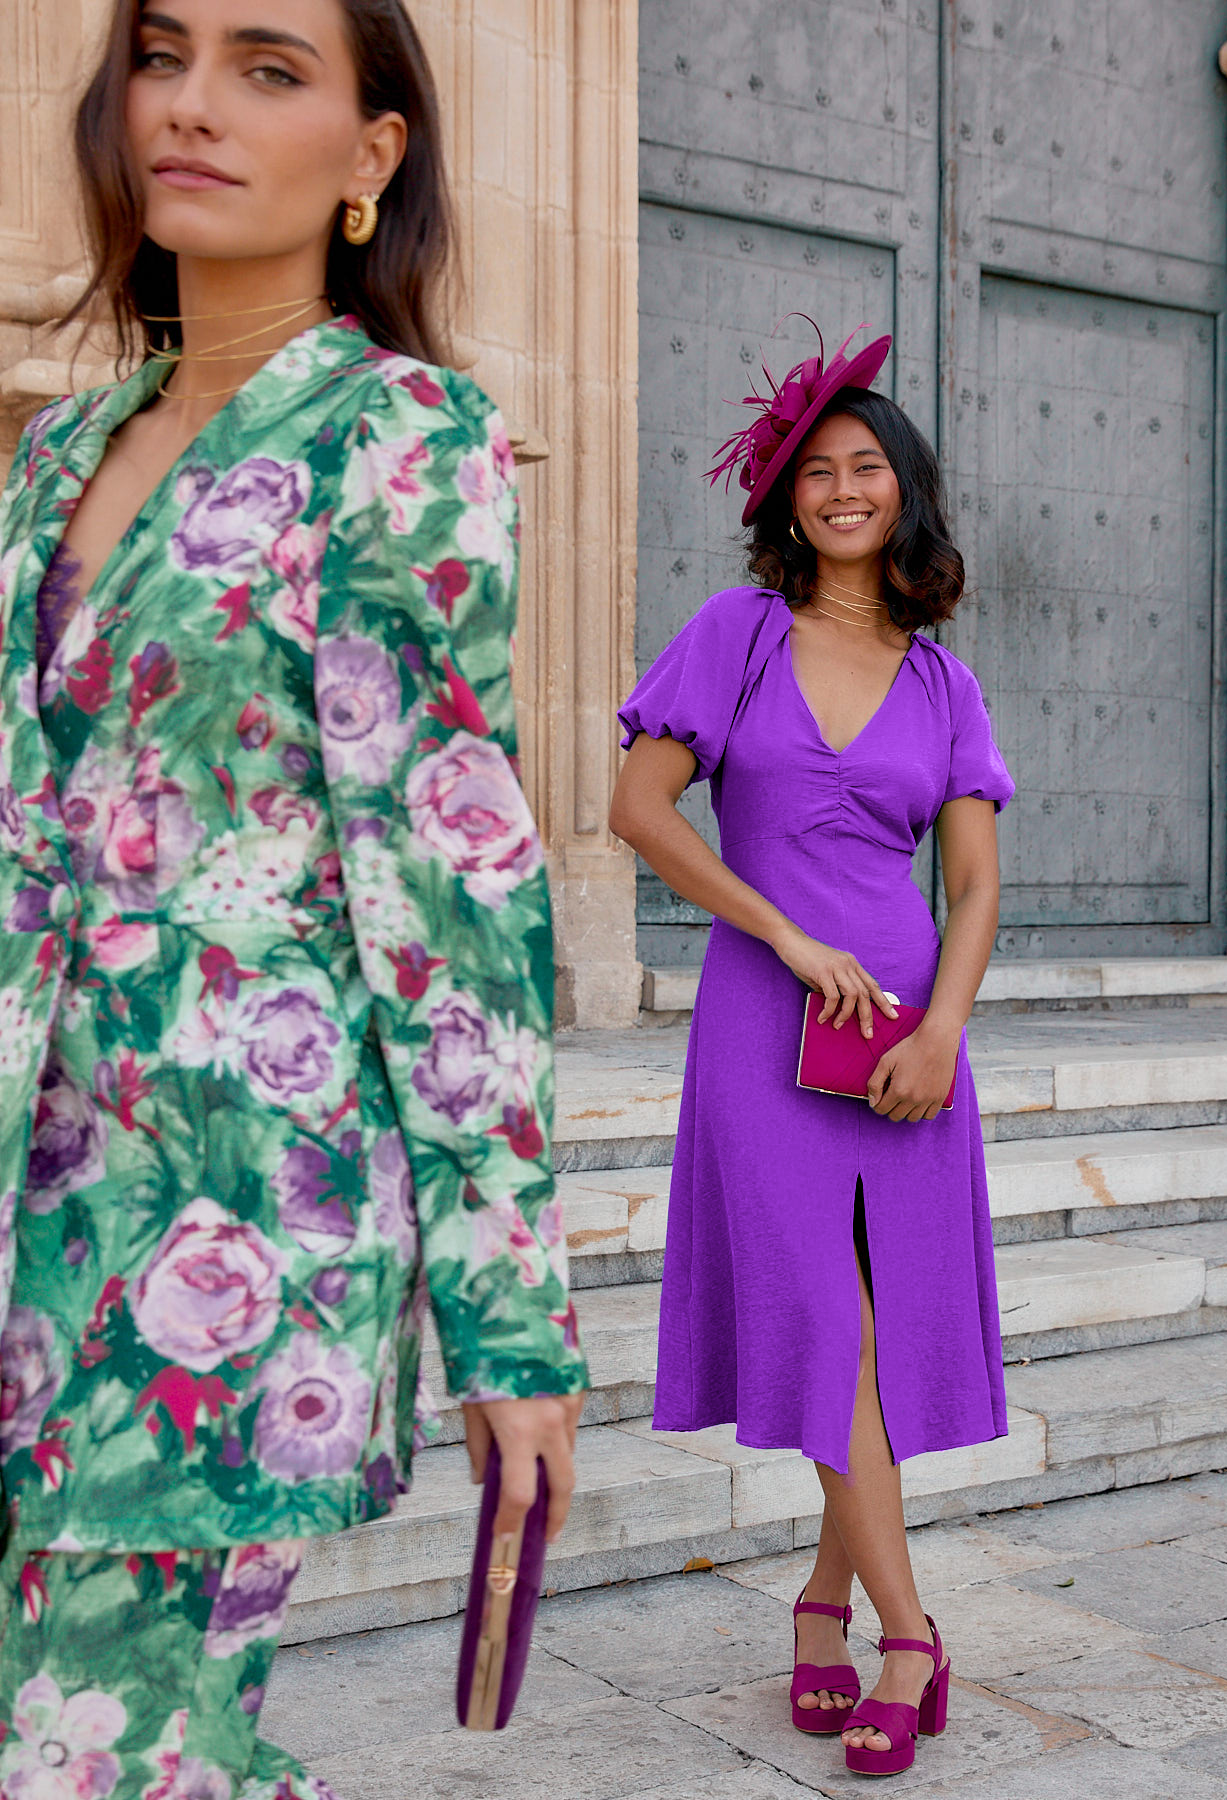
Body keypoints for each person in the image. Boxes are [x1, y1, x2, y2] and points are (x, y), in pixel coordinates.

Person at [0, 2, 587, 1793]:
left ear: (371, 155)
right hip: (26, 1193)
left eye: (269, 70)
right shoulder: (48, 459)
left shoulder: (403, 440)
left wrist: (508, 1312)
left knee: (96, 1752)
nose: (189, 106)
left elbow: (453, 883)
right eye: (162, 56)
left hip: (228, 1226)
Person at [609, 324, 1013, 1779]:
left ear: (905, 492)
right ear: (786, 498)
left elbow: (971, 887)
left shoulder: (944, 685)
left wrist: (947, 1027)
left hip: (904, 1028)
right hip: (763, 1013)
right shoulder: (736, 633)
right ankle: (914, 1631)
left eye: (869, 468)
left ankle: (824, 1605)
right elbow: (642, 812)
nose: (844, 490)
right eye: (818, 471)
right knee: (823, 1319)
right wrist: (781, 936)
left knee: (881, 1330)